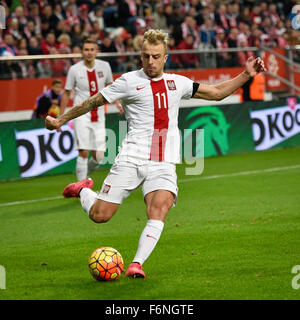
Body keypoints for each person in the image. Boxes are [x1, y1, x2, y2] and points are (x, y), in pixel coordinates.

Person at [45, 29, 266, 278]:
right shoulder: (128, 81)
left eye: (156, 56)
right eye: (146, 56)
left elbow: (216, 93)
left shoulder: (178, 83)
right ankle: (83, 189)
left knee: (159, 208)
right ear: (141, 56)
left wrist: (247, 74)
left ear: (165, 57)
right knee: (99, 216)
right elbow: (92, 102)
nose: (150, 61)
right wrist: (61, 120)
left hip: (163, 162)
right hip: (131, 158)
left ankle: (136, 264)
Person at [59, 38, 123, 182]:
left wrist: (117, 103)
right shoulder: (74, 69)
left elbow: (110, 87)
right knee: (83, 151)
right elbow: (67, 92)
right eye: (86, 49)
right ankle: (81, 188)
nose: (89, 52)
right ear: (82, 52)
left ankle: (83, 177)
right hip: (80, 115)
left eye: (92, 49)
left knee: (99, 156)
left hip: (99, 115)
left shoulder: (105, 66)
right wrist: (61, 116)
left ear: (96, 51)